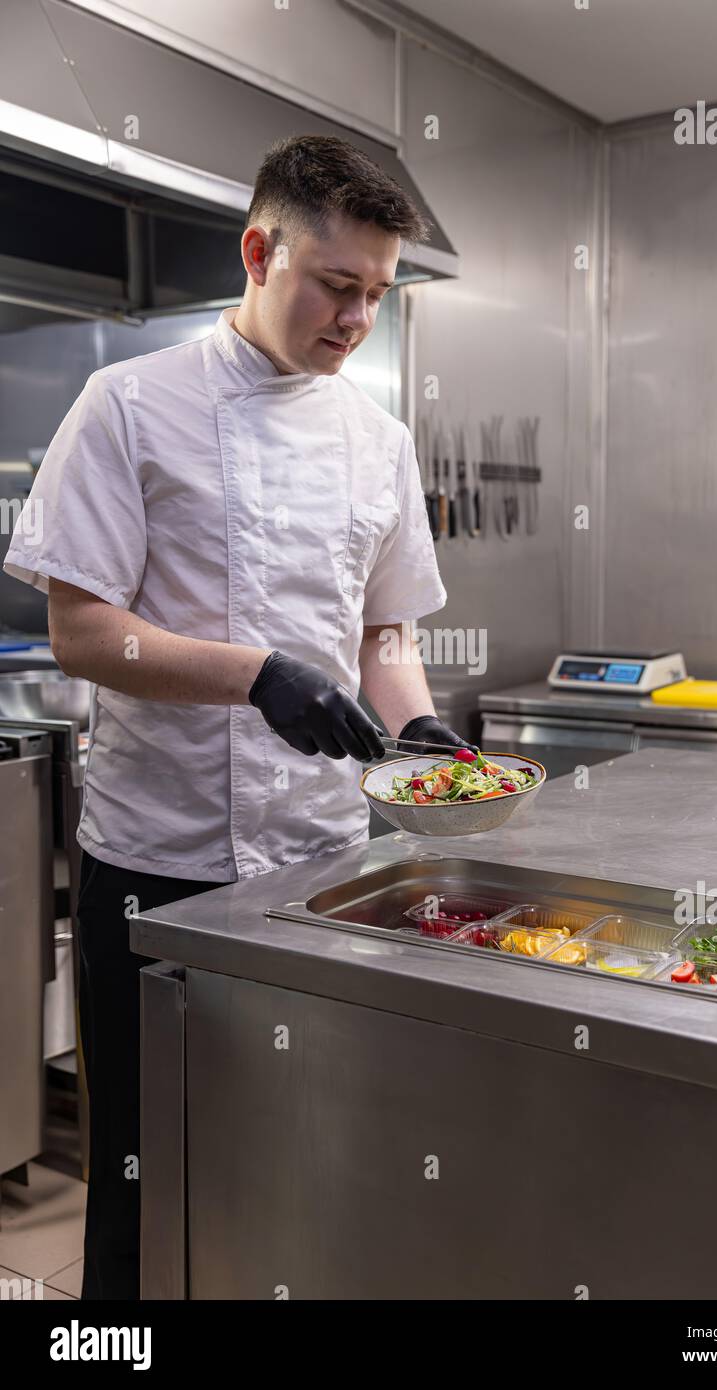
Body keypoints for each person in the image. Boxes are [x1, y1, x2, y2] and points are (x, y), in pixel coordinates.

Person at [4, 134, 466, 1299]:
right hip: (156, 867)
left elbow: (386, 636)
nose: (359, 318)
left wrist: (416, 733)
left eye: (378, 292)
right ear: (258, 252)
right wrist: (254, 674)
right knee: (143, 1174)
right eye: (337, 284)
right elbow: (79, 629)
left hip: (323, 865)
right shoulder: (128, 405)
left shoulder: (379, 441)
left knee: (307, 1156)